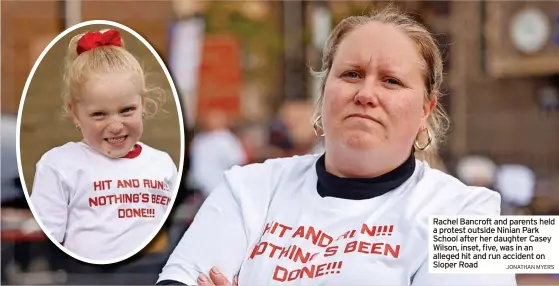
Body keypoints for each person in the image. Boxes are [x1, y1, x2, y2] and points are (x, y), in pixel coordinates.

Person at [156, 7, 517, 286]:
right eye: (351, 74)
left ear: (426, 109)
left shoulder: (472, 212)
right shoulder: (247, 188)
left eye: (391, 81)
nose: (365, 94)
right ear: (325, 90)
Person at [29, 29, 178, 263]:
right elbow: (46, 244)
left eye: (127, 110)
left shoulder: (163, 164)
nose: (116, 125)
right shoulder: (59, 165)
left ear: (143, 104)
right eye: (99, 114)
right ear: (75, 114)